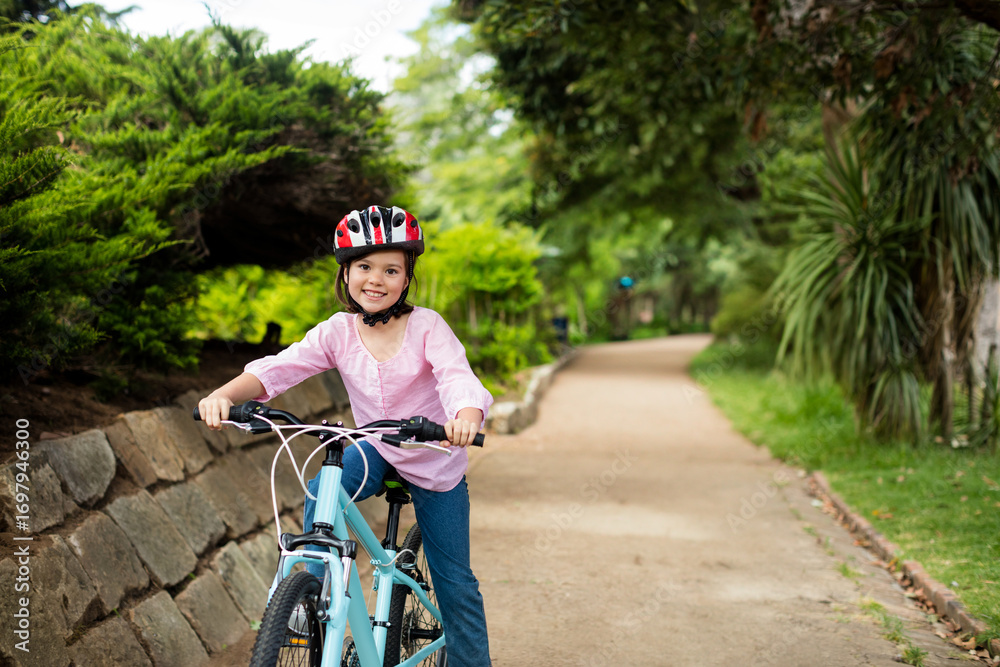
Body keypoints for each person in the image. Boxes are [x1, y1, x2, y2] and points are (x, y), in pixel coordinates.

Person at [197, 205, 493, 667]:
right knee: (323, 486)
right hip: (375, 448)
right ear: (347, 272)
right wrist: (222, 395)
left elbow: (457, 378)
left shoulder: (427, 326)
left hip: (434, 455)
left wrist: (465, 416)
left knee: (455, 582)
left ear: (407, 277)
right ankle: (310, 595)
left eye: (391, 269)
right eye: (365, 267)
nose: (376, 279)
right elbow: (278, 368)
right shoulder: (338, 331)